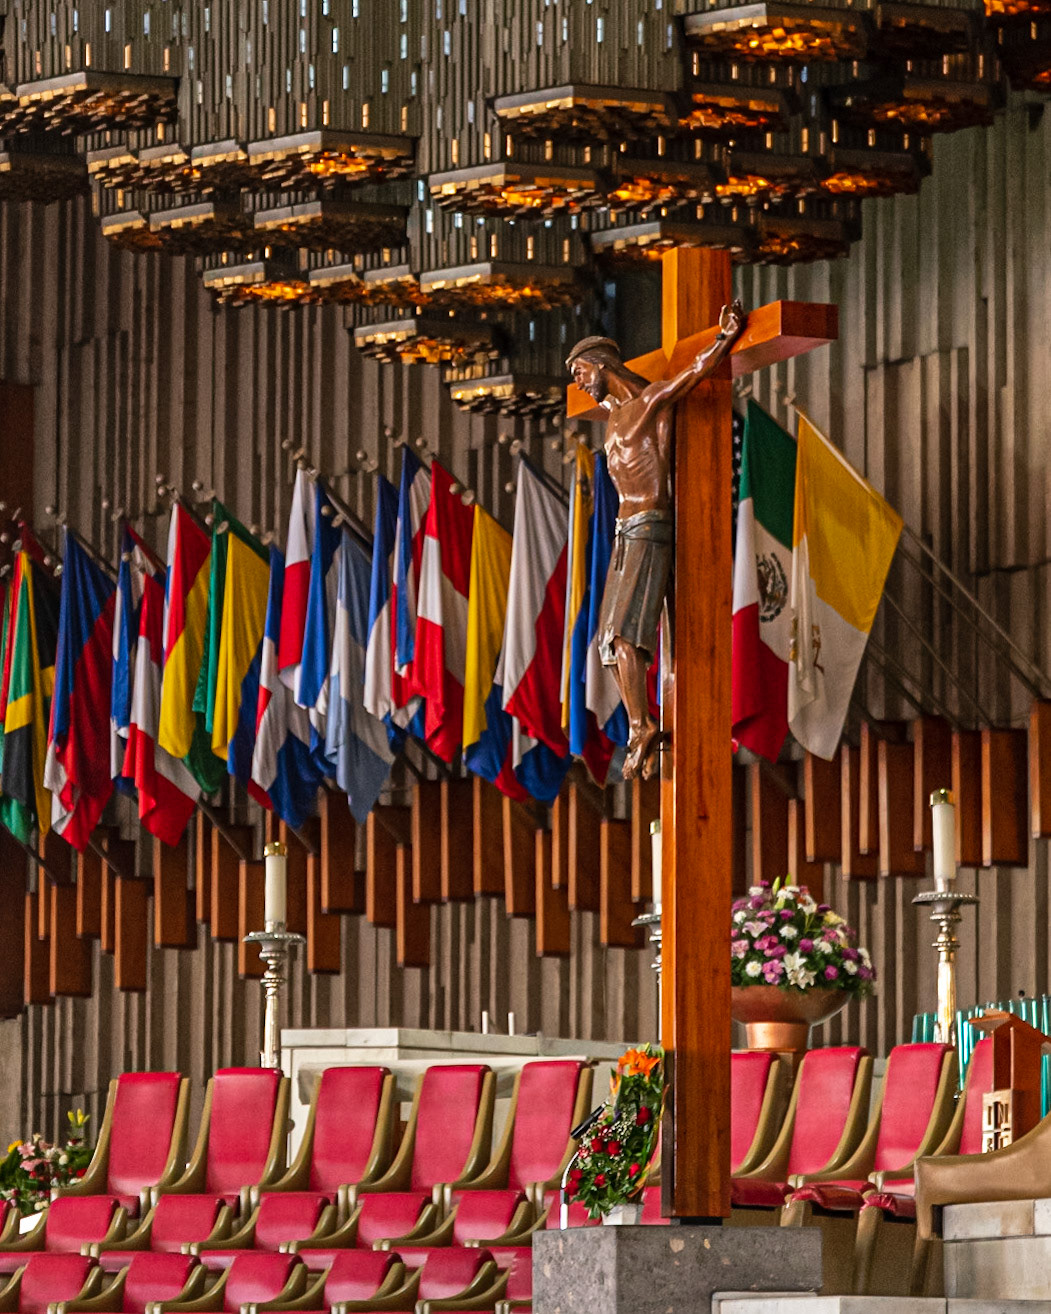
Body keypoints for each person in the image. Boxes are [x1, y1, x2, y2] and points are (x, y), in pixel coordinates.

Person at [565, 300, 746, 778]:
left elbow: (691, 375)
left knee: (625, 635)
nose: (579, 383)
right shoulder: (611, 419)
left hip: (649, 524)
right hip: (626, 533)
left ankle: (641, 726)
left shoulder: (647, 402)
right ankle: (639, 723)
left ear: (603, 366)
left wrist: (724, 338)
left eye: (582, 372)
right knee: (607, 641)